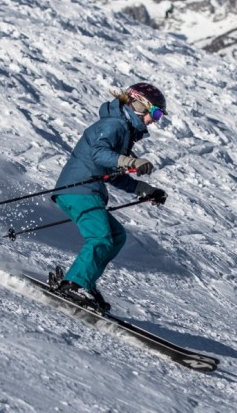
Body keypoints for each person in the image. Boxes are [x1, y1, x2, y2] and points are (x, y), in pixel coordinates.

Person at [51, 82, 168, 312]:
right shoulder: (114, 125)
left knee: (116, 236)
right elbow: (99, 153)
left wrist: (144, 189)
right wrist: (131, 161)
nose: (155, 120)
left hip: (87, 191)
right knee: (101, 237)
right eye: (155, 113)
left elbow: (112, 174)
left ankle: (84, 281)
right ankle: (74, 284)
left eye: (159, 116)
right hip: (78, 190)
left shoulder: (124, 131)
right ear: (139, 105)